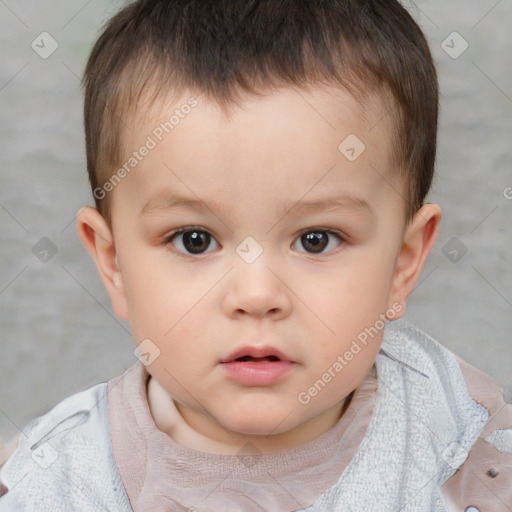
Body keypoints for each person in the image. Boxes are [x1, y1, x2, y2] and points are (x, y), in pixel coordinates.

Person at [1, 0, 511, 510]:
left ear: (404, 260)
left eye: (316, 239)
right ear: (114, 264)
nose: (257, 295)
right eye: (194, 240)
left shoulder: (455, 426)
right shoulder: (57, 479)